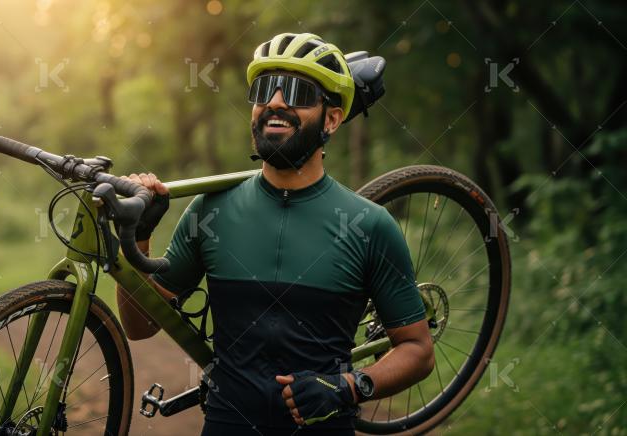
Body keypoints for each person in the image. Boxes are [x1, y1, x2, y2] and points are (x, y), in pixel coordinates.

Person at [116, 32, 435, 436]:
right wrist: (137, 239)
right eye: (264, 89)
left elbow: (418, 351)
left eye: (299, 92)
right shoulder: (212, 210)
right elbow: (139, 327)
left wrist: (349, 387)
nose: (277, 102)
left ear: (332, 118)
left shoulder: (369, 225)